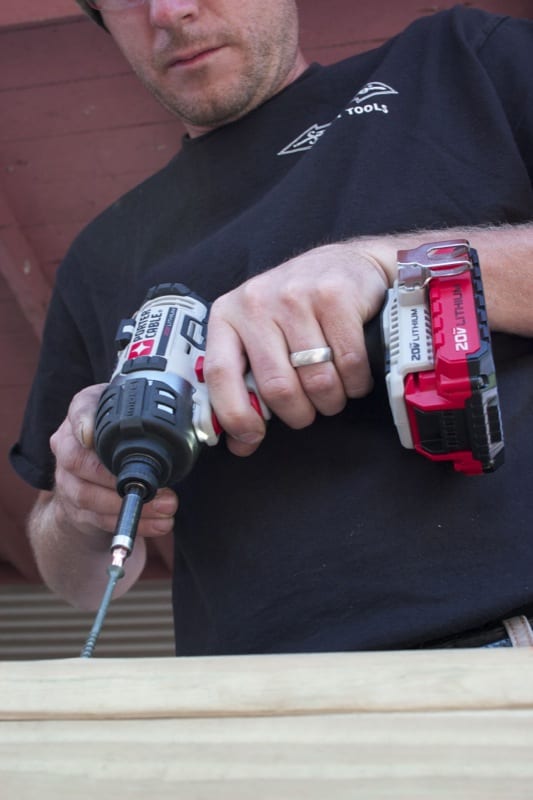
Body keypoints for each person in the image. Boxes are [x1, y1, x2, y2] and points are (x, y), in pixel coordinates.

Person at [10, 0, 533, 655]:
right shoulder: (101, 253)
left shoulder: (458, 61)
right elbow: (78, 582)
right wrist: (75, 507)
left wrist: (383, 264)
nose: (169, 11)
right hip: (248, 697)